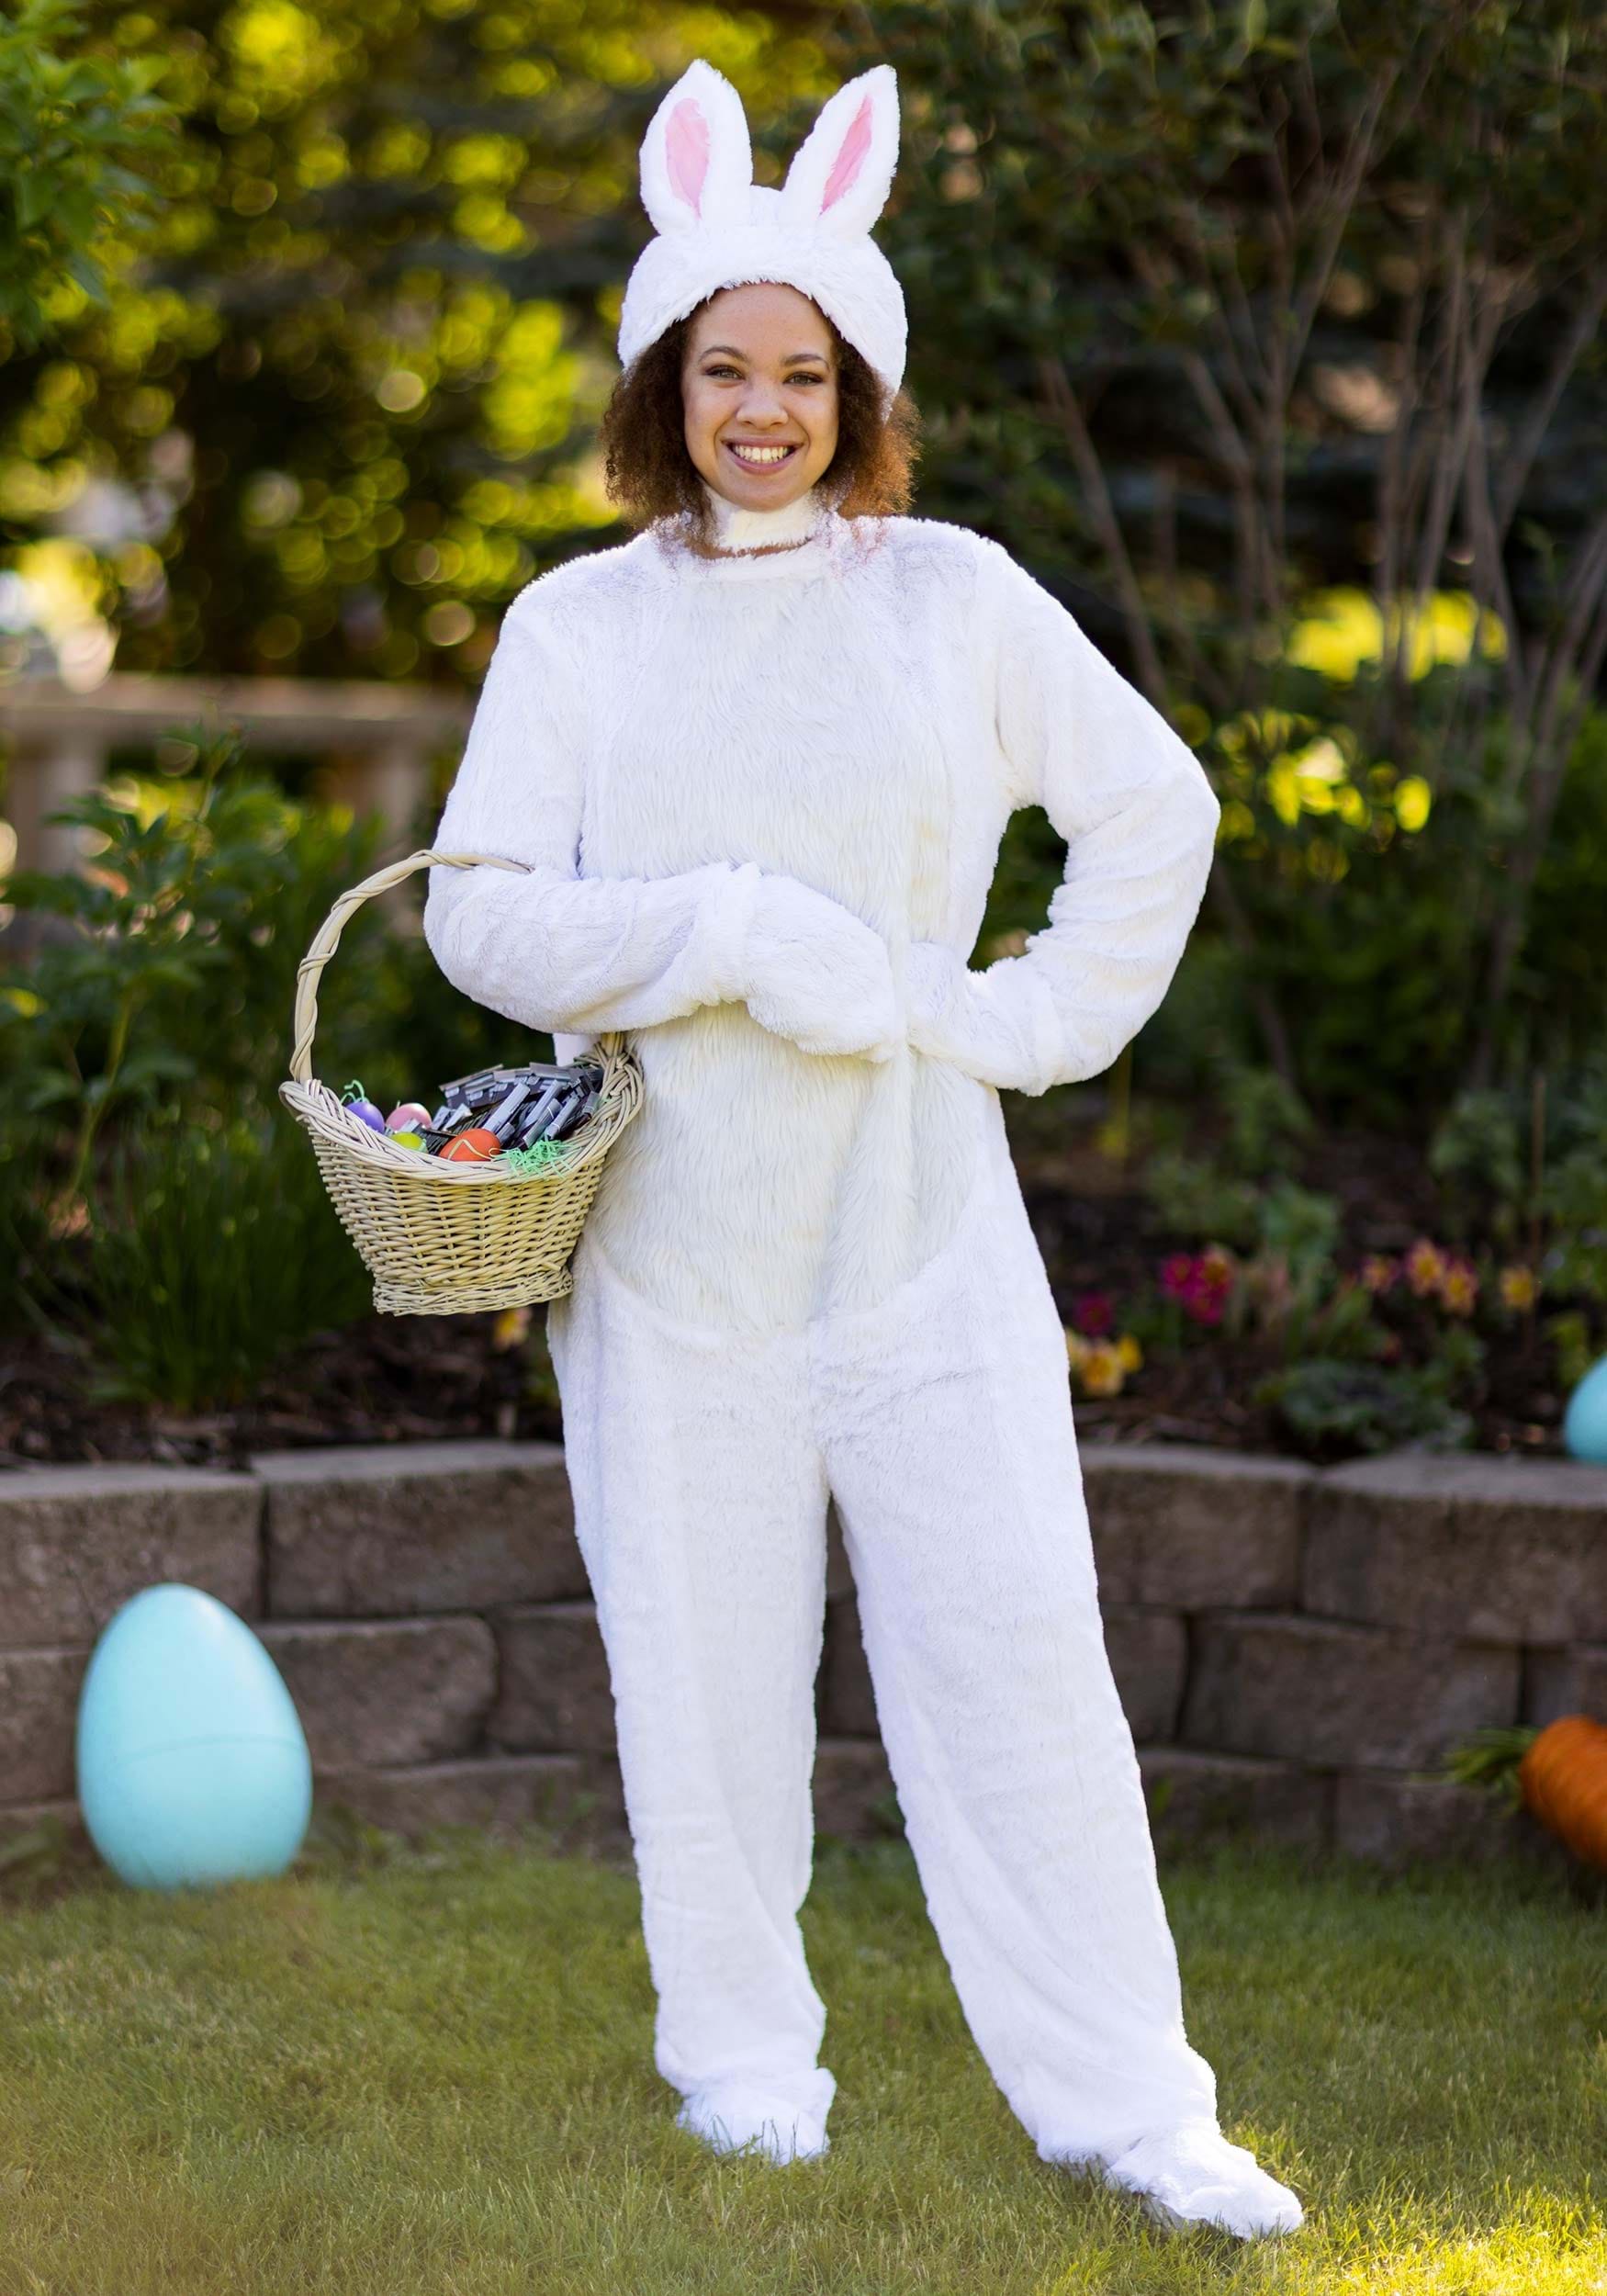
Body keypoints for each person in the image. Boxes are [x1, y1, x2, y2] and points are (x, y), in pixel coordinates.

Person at [422, 56, 1305, 2243]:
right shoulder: (577, 626)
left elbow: (1153, 810)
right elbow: (476, 912)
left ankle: (1131, 2104)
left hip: (920, 1247)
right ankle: (742, 2067)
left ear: (857, 389)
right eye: (722, 368)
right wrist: (724, 932)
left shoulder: (952, 599)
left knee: (1018, 1673)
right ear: (664, 379)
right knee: (700, 1694)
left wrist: (990, 1016)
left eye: (800, 373)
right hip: (672, 1262)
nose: (761, 410)